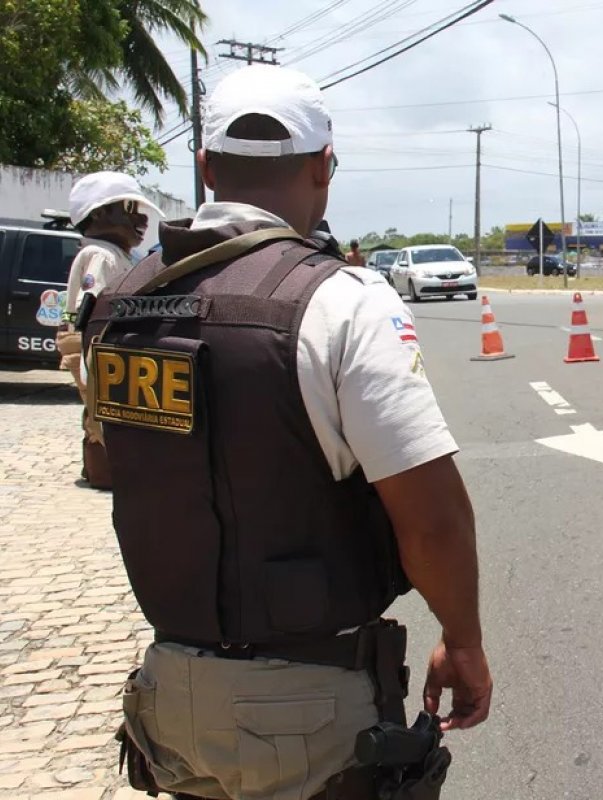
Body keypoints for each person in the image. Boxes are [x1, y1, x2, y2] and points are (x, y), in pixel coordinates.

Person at [82, 64, 491, 799]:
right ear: (324, 167)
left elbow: (129, 469)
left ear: (206, 170)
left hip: (168, 694)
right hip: (311, 711)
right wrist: (463, 640)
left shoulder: (115, 306)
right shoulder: (341, 302)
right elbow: (430, 520)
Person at [56, 171, 161, 490]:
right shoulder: (101, 255)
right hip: (98, 345)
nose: (140, 218)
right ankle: (103, 470)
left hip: (99, 345)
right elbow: (96, 307)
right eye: (128, 208)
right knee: (101, 415)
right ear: (99, 214)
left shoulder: (116, 254)